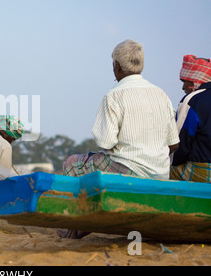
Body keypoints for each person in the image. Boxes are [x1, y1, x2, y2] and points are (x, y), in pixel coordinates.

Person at [60, 39, 180, 239]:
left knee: (72, 164)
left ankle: (72, 230)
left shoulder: (114, 95)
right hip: (160, 173)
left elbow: (105, 143)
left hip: (128, 168)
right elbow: (174, 143)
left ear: (116, 66)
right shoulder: (162, 94)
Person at [170, 55, 211, 183]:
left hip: (202, 169)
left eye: (185, 82)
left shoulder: (192, 100)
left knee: (161, 175)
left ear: (195, 82)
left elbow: (179, 144)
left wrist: (171, 163)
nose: (183, 88)